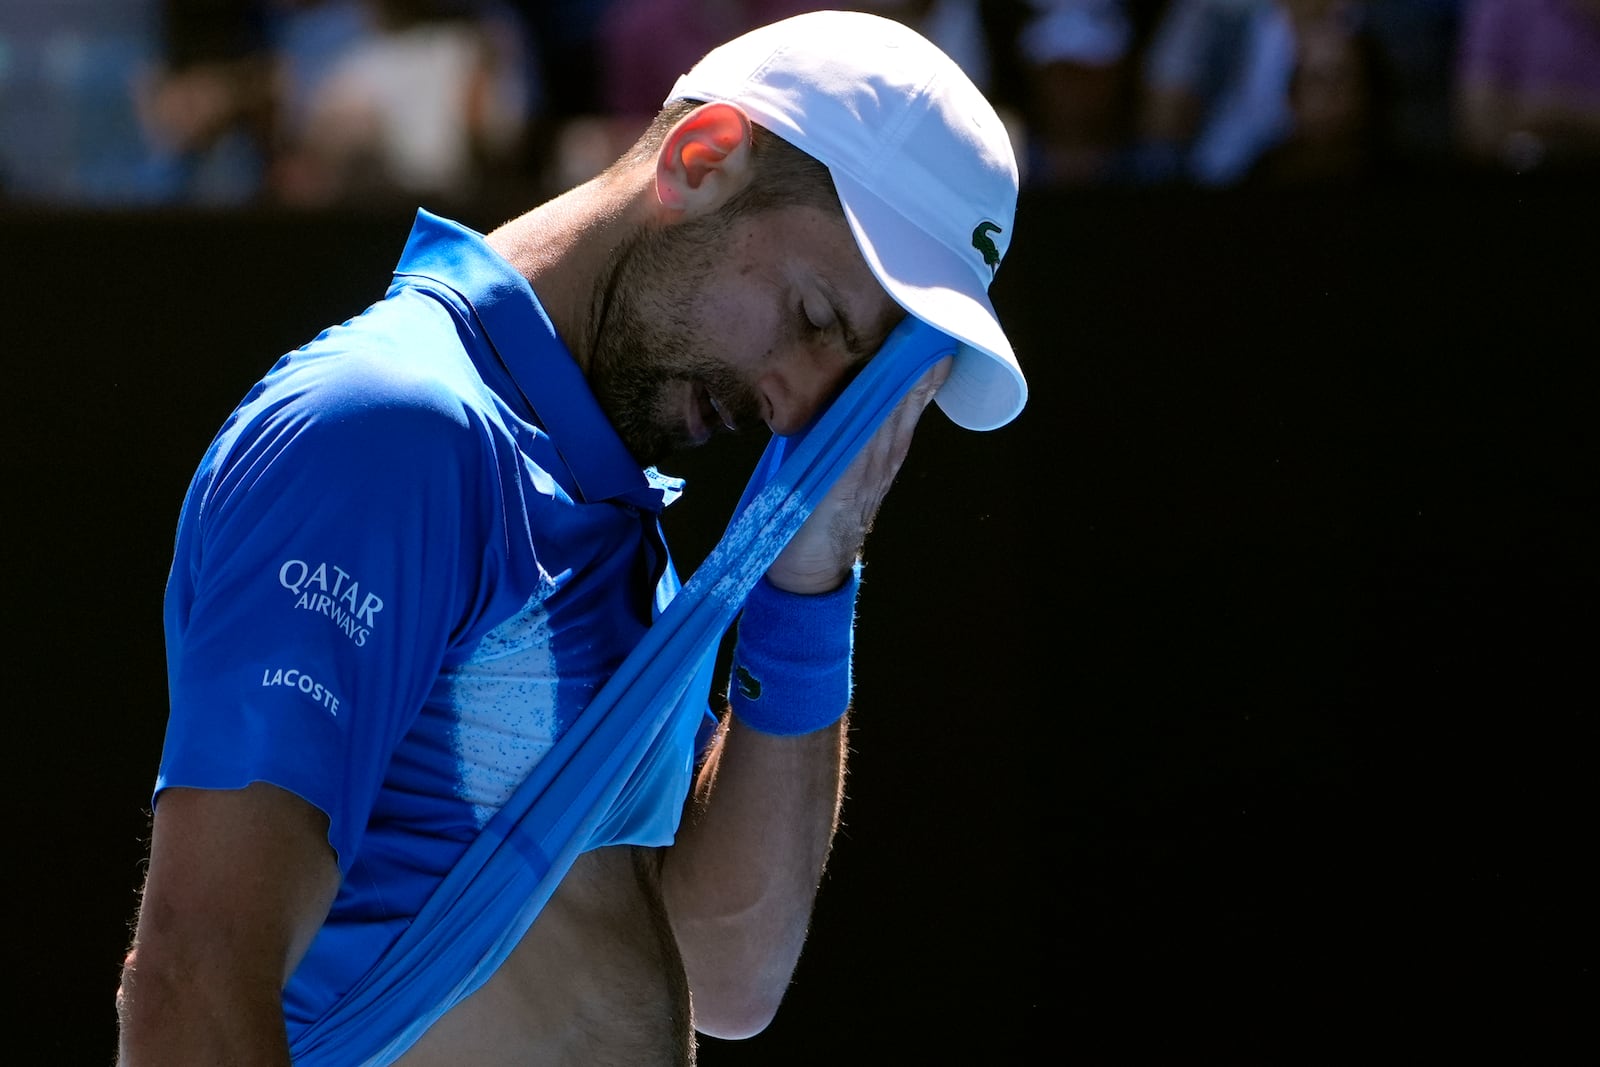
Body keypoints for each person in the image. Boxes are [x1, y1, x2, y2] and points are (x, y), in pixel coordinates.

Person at [113, 9, 1026, 1066]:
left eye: (848, 375)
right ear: (703, 157)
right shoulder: (392, 428)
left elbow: (729, 973)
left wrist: (807, 578)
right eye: (816, 314)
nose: (795, 407)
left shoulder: (613, 512)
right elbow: (193, 971)